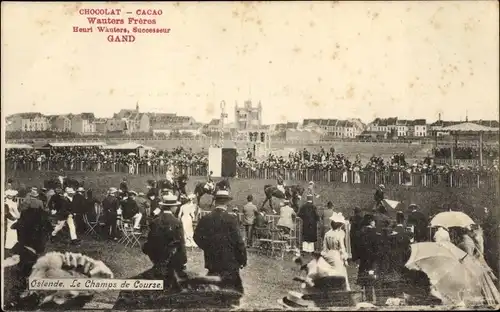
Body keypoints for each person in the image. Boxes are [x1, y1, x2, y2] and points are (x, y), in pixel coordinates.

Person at [194, 189, 247, 296]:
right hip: (230, 262)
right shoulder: (231, 219)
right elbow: (239, 242)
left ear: (215, 201)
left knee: (212, 291)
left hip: (212, 260)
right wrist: (242, 259)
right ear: (227, 202)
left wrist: (208, 247)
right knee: (232, 293)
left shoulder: (206, 218)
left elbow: (196, 237)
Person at [143, 194, 187, 291]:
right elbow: (181, 244)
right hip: (172, 260)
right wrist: (183, 261)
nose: (176, 208)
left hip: (157, 259)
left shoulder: (155, 221)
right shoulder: (176, 222)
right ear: (172, 207)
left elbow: (149, 243)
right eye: (175, 206)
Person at [321, 212, 350, 290]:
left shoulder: (327, 234)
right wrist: (345, 258)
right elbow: (342, 247)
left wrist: (325, 256)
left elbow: (324, 248)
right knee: (341, 274)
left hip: (329, 254)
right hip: (337, 255)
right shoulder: (340, 234)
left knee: (331, 274)